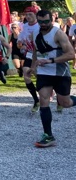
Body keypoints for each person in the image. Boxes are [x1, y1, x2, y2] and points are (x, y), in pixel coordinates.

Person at [31, 10, 76, 147]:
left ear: (52, 20)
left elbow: (71, 54)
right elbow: (35, 51)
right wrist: (33, 67)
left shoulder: (58, 33)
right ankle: (48, 135)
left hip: (59, 73)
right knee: (43, 99)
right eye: (40, 22)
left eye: (46, 21)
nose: (43, 24)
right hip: (44, 73)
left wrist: (51, 61)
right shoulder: (35, 33)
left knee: (65, 103)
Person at [18, 7, 41, 112]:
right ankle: (36, 101)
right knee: (26, 75)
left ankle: (55, 96)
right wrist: (21, 44)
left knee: (40, 76)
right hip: (29, 54)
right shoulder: (25, 26)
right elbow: (21, 40)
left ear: (36, 15)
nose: (28, 17)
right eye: (26, 15)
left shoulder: (40, 25)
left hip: (40, 55)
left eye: (30, 14)